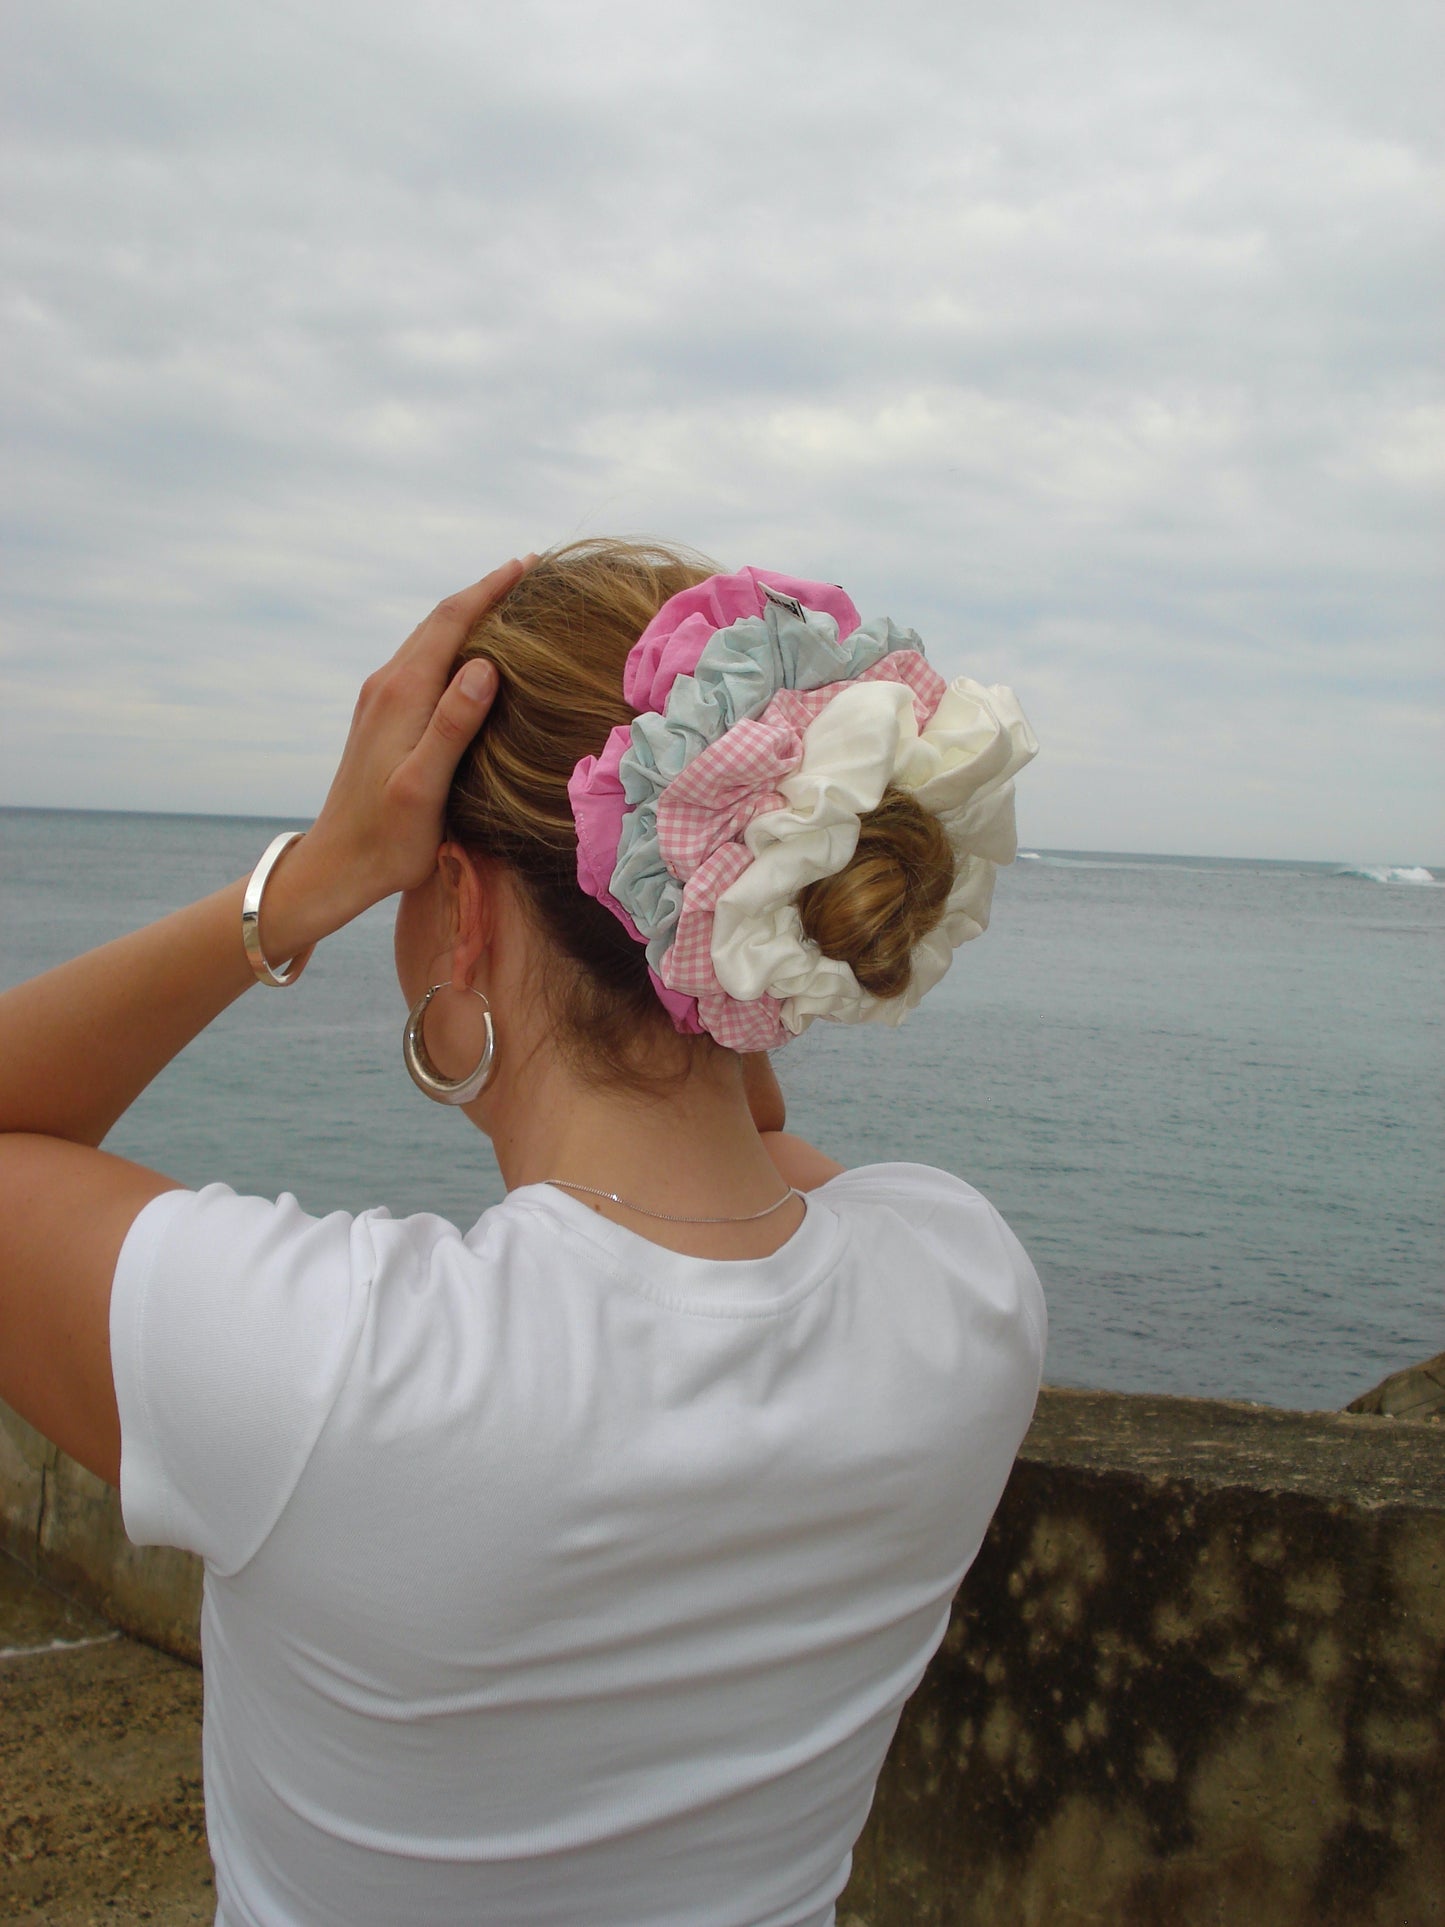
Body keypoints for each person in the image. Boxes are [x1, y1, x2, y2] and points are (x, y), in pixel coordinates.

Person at [0, 541, 1045, 1927]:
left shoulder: (327, 1367)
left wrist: (301, 887)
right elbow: (751, 1128)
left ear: (460, 909)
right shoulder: (963, 1285)